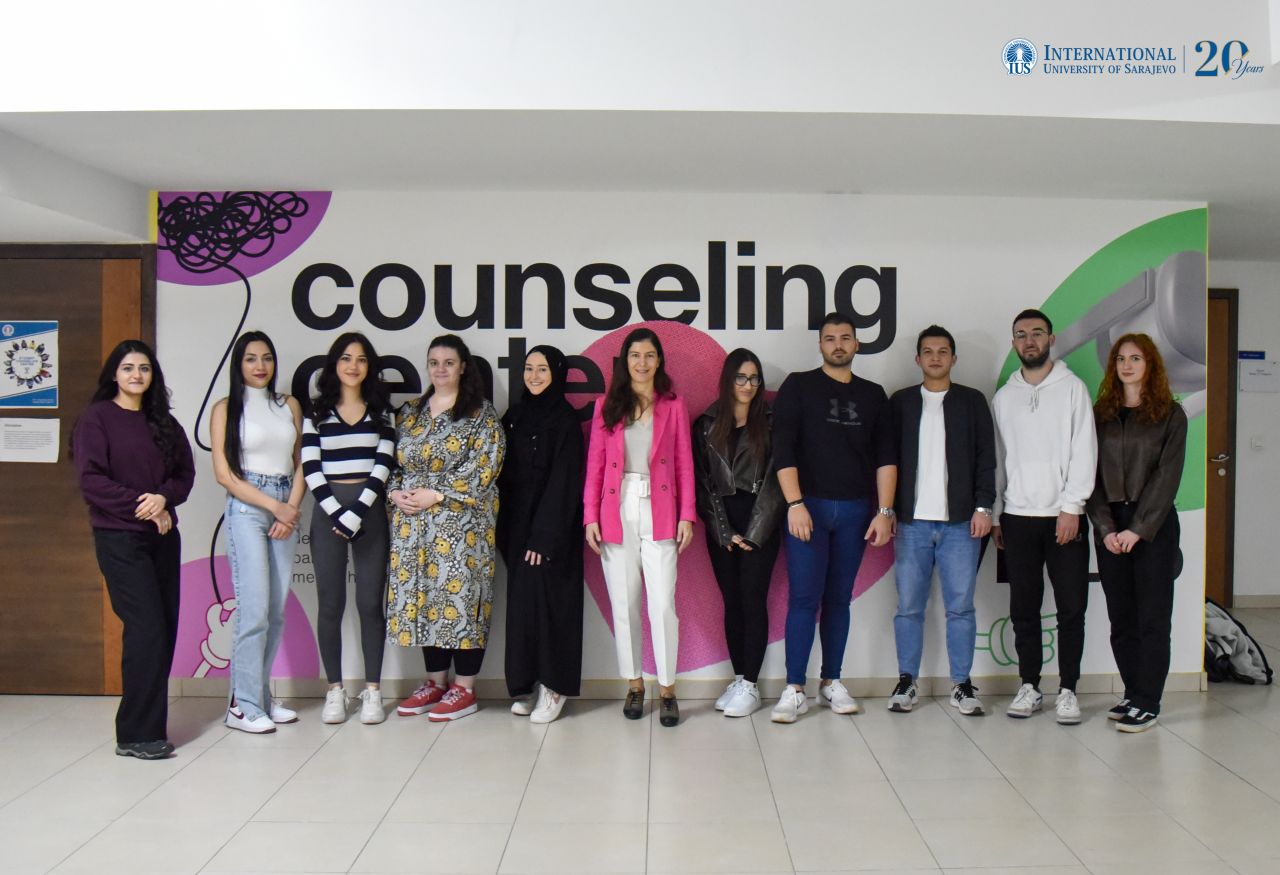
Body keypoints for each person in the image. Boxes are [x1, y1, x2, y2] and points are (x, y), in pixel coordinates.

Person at [770, 312, 896, 724]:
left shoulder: (874, 395)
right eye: (830, 338)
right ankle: (794, 687)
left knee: (839, 598)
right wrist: (794, 503)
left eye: (845, 338)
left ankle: (832, 681)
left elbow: (886, 457)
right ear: (820, 345)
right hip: (809, 508)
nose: (838, 344)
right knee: (804, 598)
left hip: (856, 511)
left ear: (857, 344)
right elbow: (783, 448)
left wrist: (884, 511)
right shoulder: (798, 386)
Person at [73, 340, 195, 759]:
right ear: (114, 374)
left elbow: (184, 475)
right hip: (120, 537)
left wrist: (163, 499)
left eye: (144, 368)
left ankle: (150, 728)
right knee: (146, 628)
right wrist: (145, 507)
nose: (136, 375)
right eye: (128, 368)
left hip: (163, 537)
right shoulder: (96, 419)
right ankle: (135, 735)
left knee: (164, 628)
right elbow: (92, 481)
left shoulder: (164, 422)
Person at [388, 334, 505, 722]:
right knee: (424, 601)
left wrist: (436, 494)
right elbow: (394, 464)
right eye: (434, 362)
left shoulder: (480, 415)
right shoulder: (410, 413)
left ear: (463, 367)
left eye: (449, 362)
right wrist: (395, 493)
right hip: (413, 528)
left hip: (461, 527)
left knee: (461, 601)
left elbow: (485, 469)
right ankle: (435, 682)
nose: (440, 369)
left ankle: (465, 688)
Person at [584, 327, 695, 728]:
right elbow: (595, 465)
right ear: (625, 361)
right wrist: (590, 516)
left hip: (660, 507)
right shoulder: (607, 406)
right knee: (624, 603)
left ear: (659, 360)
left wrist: (687, 514)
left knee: (662, 604)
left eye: (649, 355)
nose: (642, 363)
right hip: (617, 508)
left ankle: (667, 689)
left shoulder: (673, 405)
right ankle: (634, 684)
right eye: (635, 356)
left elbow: (684, 463)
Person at [992, 309, 1097, 724]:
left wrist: (1072, 507)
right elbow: (998, 459)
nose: (1029, 341)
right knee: (1024, 608)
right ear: (1014, 343)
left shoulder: (1073, 389)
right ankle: (1030, 686)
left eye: (1037, 333)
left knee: (1071, 608)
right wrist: (997, 514)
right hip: (1017, 518)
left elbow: (1084, 450)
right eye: (1021, 335)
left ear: (1051, 339)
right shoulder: (1004, 398)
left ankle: (1068, 689)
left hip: (1062, 517)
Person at [887, 326, 996, 716]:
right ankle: (907, 681)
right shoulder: (900, 402)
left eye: (943, 351)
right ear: (918, 359)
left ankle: (961, 684)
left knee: (960, 607)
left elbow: (986, 456)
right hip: (911, 523)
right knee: (908, 607)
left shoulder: (971, 401)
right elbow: (887, 460)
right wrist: (887, 510)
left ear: (954, 358)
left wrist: (984, 507)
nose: (935, 357)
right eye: (928, 351)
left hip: (960, 523)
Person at [1086, 333, 1187, 733]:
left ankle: (1149, 701)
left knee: (1153, 618)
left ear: (1151, 365)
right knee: (1122, 617)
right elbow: (1090, 475)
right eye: (1121, 359)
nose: (1127, 365)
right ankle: (1132, 692)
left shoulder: (1170, 415)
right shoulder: (1101, 414)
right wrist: (1106, 528)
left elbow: (1167, 477)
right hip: (1110, 526)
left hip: (1153, 528)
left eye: (1136, 358)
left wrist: (1138, 529)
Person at [211, 330, 305, 734]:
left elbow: (301, 462)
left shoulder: (289, 405)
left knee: (275, 611)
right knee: (253, 610)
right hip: (248, 507)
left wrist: (289, 510)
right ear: (239, 364)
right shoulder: (225, 408)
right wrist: (273, 507)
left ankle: (261, 697)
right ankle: (241, 704)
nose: (260, 366)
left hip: (286, 503)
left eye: (267, 358)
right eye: (251, 358)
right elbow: (224, 474)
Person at [302, 332, 395, 725]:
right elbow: (311, 467)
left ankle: (373, 691)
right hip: (328, 514)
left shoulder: (382, 412)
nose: (353, 366)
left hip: (369, 513)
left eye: (360, 359)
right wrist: (336, 512)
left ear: (369, 366)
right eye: (345, 358)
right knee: (330, 604)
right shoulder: (316, 413)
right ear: (334, 365)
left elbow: (383, 463)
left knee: (370, 604)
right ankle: (335, 690)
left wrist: (357, 511)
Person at [693, 348, 784, 718]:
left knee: (752, 599)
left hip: (761, 522)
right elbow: (702, 482)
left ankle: (751, 684)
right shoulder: (705, 424)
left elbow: (777, 481)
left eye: (754, 378)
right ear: (728, 379)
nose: (748, 385)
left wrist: (755, 532)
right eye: (741, 377)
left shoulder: (772, 422)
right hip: (722, 525)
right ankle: (738, 678)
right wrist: (723, 530)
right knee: (731, 601)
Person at [499, 345, 585, 724]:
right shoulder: (515, 416)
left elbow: (565, 482)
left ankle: (555, 687)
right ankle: (526, 684)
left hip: (551, 534)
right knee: (522, 611)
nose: (534, 376)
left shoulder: (564, 420)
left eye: (543, 369)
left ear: (557, 375)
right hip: (516, 529)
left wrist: (543, 537)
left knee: (553, 609)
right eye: (529, 368)